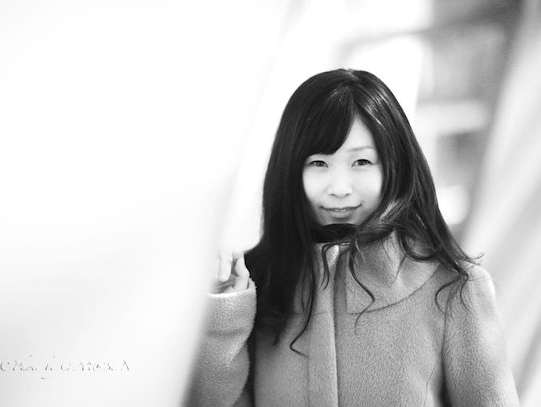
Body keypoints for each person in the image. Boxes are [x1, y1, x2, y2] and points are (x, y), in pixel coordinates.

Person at [187, 69, 519, 406]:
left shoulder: (454, 290)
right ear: (290, 171)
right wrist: (224, 323)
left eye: (361, 161)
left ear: (394, 166)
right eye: (318, 163)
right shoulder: (259, 287)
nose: (340, 188)